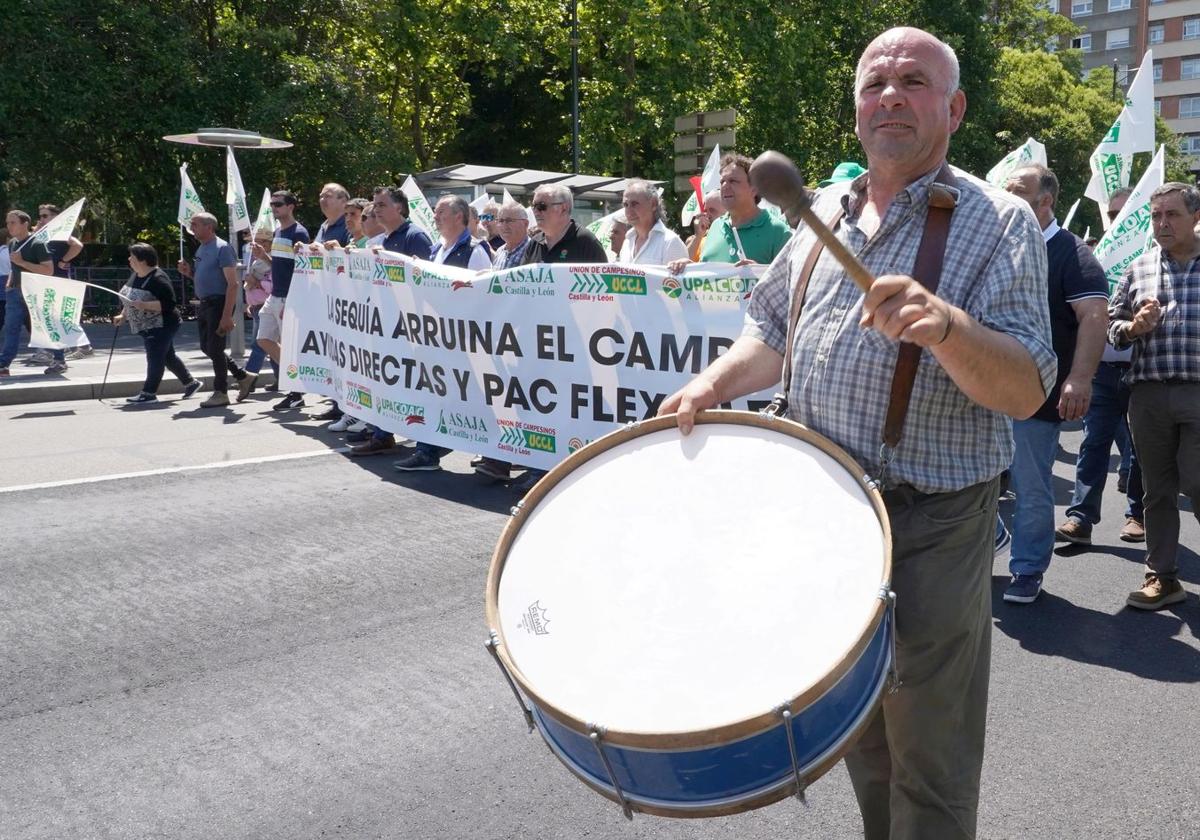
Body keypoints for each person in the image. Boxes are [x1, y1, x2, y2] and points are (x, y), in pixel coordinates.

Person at [660, 27, 1054, 839]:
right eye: (875, 83)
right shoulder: (820, 216)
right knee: (858, 726)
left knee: (930, 750)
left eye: (914, 81)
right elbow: (767, 332)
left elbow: (1023, 389)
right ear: (856, 113)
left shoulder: (1000, 219)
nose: (891, 96)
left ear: (955, 107)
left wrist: (946, 328)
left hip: (934, 521)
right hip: (825, 511)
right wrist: (708, 384)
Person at [996, 164, 1108, 604]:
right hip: (983, 391)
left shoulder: (1073, 254)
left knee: (1030, 487)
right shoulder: (998, 246)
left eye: (1017, 193)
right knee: (963, 483)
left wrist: (1079, 378)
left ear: (1046, 202)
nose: (1005, 200)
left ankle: (1027, 569)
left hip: (1034, 396)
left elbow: (1094, 316)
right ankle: (993, 543)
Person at [472, 183, 608, 490]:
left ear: (563, 208)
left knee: (563, 407)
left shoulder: (585, 243)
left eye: (542, 206)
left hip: (573, 343)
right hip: (536, 341)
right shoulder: (535, 243)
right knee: (534, 404)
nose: (536, 211)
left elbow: (605, 292)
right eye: (534, 206)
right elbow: (519, 286)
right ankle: (529, 462)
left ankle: (551, 470)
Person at [1108, 182, 1200, 611]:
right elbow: (1112, 326)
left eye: (1172, 215)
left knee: (1196, 481)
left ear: (1195, 216)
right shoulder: (1139, 267)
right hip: (1148, 395)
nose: (1162, 224)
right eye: (1156, 216)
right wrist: (1132, 329)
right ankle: (1162, 577)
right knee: (1157, 491)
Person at [1056, 188, 1146, 545]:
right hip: (1103, 370)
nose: (1116, 219)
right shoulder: (1093, 256)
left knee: (1140, 449)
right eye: (1112, 212)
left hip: (1144, 370)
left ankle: (1137, 515)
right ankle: (1081, 517)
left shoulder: (1150, 261)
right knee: (1093, 444)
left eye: (1125, 212)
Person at [386, 195, 491, 468]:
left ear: (459, 216)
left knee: (466, 398)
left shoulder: (475, 250)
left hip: (461, 339)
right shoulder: (435, 250)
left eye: (441, 212)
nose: (435, 216)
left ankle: (486, 452)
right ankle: (428, 451)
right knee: (433, 395)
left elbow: (484, 295)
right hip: (435, 336)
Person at [342, 187, 434, 447]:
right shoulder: (384, 240)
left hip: (409, 327)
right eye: (375, 205)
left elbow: (427, 282)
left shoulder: (415, 237)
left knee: (413, 388)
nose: (376, 209)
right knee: (385, 383)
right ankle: (382, 432)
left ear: (399, 208)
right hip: (386, 324)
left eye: (382, 205)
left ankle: (422, 446)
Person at [176, 212, 253, 408]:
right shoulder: (202, 248)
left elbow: (232, 284)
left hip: (219, 303)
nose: (191, 228)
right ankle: (242, 376)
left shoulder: (222, 248)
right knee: (207, 347)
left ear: (209, 227)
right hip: (205, 303)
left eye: (195, 224)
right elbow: (205, 278)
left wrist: (227, 315)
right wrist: (189, 273)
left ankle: (221, 392)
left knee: (216, 349)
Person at [668, 153, 792, 273]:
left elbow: (792, 284)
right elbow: (706, 276)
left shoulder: (778, 231)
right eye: (722, 182)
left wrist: (759, 273)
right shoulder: (716, 227)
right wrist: (689, 268)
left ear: (754, 188)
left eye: (733, 181)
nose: (725, 186)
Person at [117, 242, 201, 404]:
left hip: (162, 324)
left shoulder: (158, 278)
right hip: (146, 325)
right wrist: (123, 315)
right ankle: (191, 383)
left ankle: (149, 393)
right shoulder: (136, 274)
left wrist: (145, 305)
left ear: (143, 260)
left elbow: (169, 304)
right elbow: (130, 299)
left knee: (155, 357)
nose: (129, 259)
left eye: (132, 257)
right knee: (168, 357)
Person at [251, 191, 311, 409]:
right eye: (272, 204)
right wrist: (263, 257)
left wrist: (295, 300)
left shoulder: (300, 233)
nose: (274, 208)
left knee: (288, 345)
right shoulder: (277, 231)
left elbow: (303, 270)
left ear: (291, 206)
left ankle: (296, 391)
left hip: (289, 297)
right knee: (263, 339)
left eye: (278, 204)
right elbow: (278, 265)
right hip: (275, 295)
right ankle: (296, 379)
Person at [3, 210, 60, 375]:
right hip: (15, 292)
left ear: (24, 224)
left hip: (36, 293)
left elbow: (48, 270)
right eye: (7, 223)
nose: (9, 226)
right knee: (11, 328)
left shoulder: (37, 243)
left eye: (13, 222)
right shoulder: (13, 243)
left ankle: (59, 359)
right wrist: (10, 282)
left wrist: (22, 261)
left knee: (46, 327)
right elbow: (15, 268)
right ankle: (4, 364)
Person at [38, 203, 93, 363]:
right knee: (61, 317)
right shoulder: (46, 233)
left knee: (55, 316)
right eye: (40, 216)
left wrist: (64, 260)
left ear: (56, 217)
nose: (41, 219)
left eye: (45, 216)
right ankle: (83, 347)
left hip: (58, 279)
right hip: (49, 279)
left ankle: (50, 352)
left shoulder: (61, 232)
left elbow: (77, 245)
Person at [239, 228, 277, 400]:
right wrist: (250, 302)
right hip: (258, 306)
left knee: (259, 344)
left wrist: (256, 283)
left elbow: (273, 286)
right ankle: (280, 379)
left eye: (258, 242)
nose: (252, 245)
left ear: (267, 244)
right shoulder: (257, 261)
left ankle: (250, 378)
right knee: (269, 344)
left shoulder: (271, 261)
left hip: (266, 306)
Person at [618, 179, 688, 265]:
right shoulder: (627, 242)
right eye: (626, 205)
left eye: (634, 204)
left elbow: (678, 278)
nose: (629, 211)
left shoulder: (670, 242)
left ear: (653, 204)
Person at [685, 189, 724, 261]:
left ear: (726, 212)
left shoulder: (732, 237)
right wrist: (698, 236)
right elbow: (683, 265)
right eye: (705, 211)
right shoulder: (695, 239)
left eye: (712, 210)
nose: (707, 215)